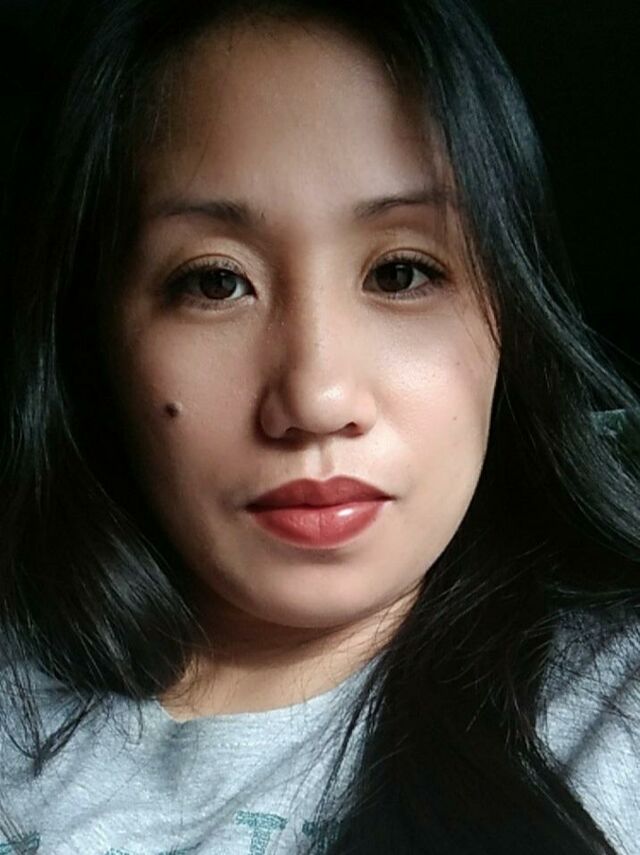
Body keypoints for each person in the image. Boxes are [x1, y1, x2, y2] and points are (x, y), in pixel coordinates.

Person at [0, 0, 638, 852]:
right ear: (95, 344)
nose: (316, 399)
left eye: (401, 272)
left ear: (510, 321)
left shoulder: (615, 714)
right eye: (215, 282)